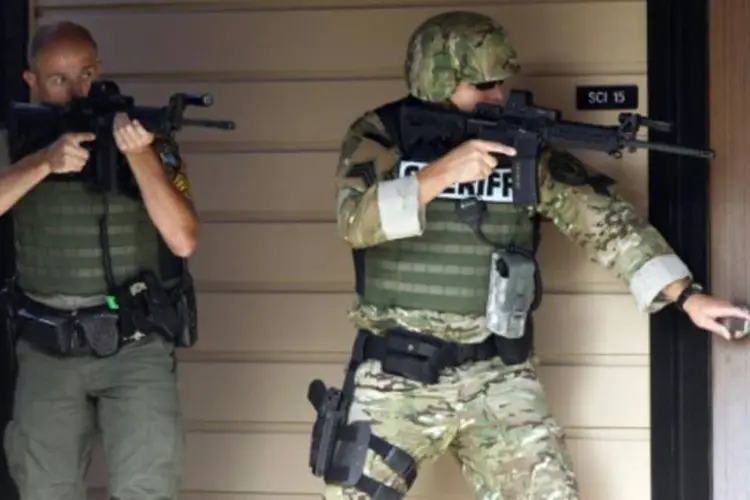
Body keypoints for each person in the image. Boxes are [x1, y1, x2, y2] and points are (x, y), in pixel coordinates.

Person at [308, 10, 750, 500]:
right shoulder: (380, 136)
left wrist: (686, 297)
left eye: (502, 83)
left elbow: (603, 221)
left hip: (499, 374)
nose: (498, 96)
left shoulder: (518, 147)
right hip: (397, 374)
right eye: (483, 84)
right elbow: (354, 222)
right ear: (437, 78)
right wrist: (439, 174)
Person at [0, 21, 199, 499]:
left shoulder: (147, 139)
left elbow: (183, 239)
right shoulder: (16, 138)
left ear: (101, 69)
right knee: (44, 488)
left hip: (135, 345)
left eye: (85, 74)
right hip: (48, 346)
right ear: (31, 79)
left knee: (149, 488)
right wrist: (44, 162)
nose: (76, 91)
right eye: (58, 79)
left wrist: (142, 158)